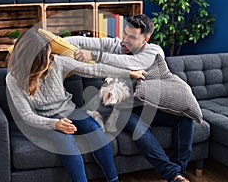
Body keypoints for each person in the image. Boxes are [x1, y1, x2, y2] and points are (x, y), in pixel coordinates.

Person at [5, 27, 146, 182]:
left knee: (95, 131)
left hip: (68, 110)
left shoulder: (56, 62)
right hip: (42, 121)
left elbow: (93, 69)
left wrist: (128, 73)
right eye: (45, 58)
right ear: (32, 62)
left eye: (49, 55)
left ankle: (113, 180)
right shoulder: (13, 79)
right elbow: (27, 116)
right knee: (66, 142)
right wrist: (55, 124)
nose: (49, 60)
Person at [65, 14, 193, 182]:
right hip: (120, 111)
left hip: (147, 106)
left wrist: (96, 56)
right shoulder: (116, 45)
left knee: (186, 117)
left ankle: (178, 172)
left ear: (145, 39)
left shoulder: (154, 52)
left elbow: (128, 63)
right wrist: (54, 42)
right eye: (125, 33)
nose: (125, 40)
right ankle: (173, 175)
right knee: (139, 127)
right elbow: (84, 42)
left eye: (132, 37)